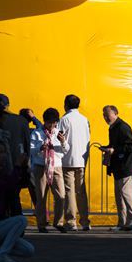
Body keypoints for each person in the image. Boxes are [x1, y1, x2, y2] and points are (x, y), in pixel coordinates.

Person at [102, 105, 132, 231]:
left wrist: (114, 150)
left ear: (115, 113)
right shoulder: (113, 128)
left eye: (107, 114)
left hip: (126, 166)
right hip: (118, 167)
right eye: (104, 115)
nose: (105, 117)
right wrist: (107, 147)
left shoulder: (123, 127)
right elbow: (117, 145)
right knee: (119, 195)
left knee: (126, 193)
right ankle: (122, 222)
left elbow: (131, 146)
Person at [29, 107, 68, 232]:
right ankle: (41, 224)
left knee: (61, 195)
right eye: (49, 122)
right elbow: (31, 151)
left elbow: (66, 150)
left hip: (56, 166)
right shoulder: (37, 133)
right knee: (41, 197)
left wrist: (63, 142)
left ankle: (59, 222)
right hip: (41, 166)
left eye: (54, 122)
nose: (52, 125)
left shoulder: (58, 133)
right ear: (44, 121)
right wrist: (40, 148)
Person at [0, 94, 32, 213]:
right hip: (17, 162)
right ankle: (16, 222)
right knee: (14, 195)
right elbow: (27, 143)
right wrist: (26, 162)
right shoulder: (21, 120)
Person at [58, 94, 91, 231]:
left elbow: (59, 136)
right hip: (81, 160)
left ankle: (71, 221)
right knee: (81, 191)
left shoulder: (64, 119)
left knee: (69, 191)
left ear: (66, 104)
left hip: (68, 159)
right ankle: (85, 221)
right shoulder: (84, 119)